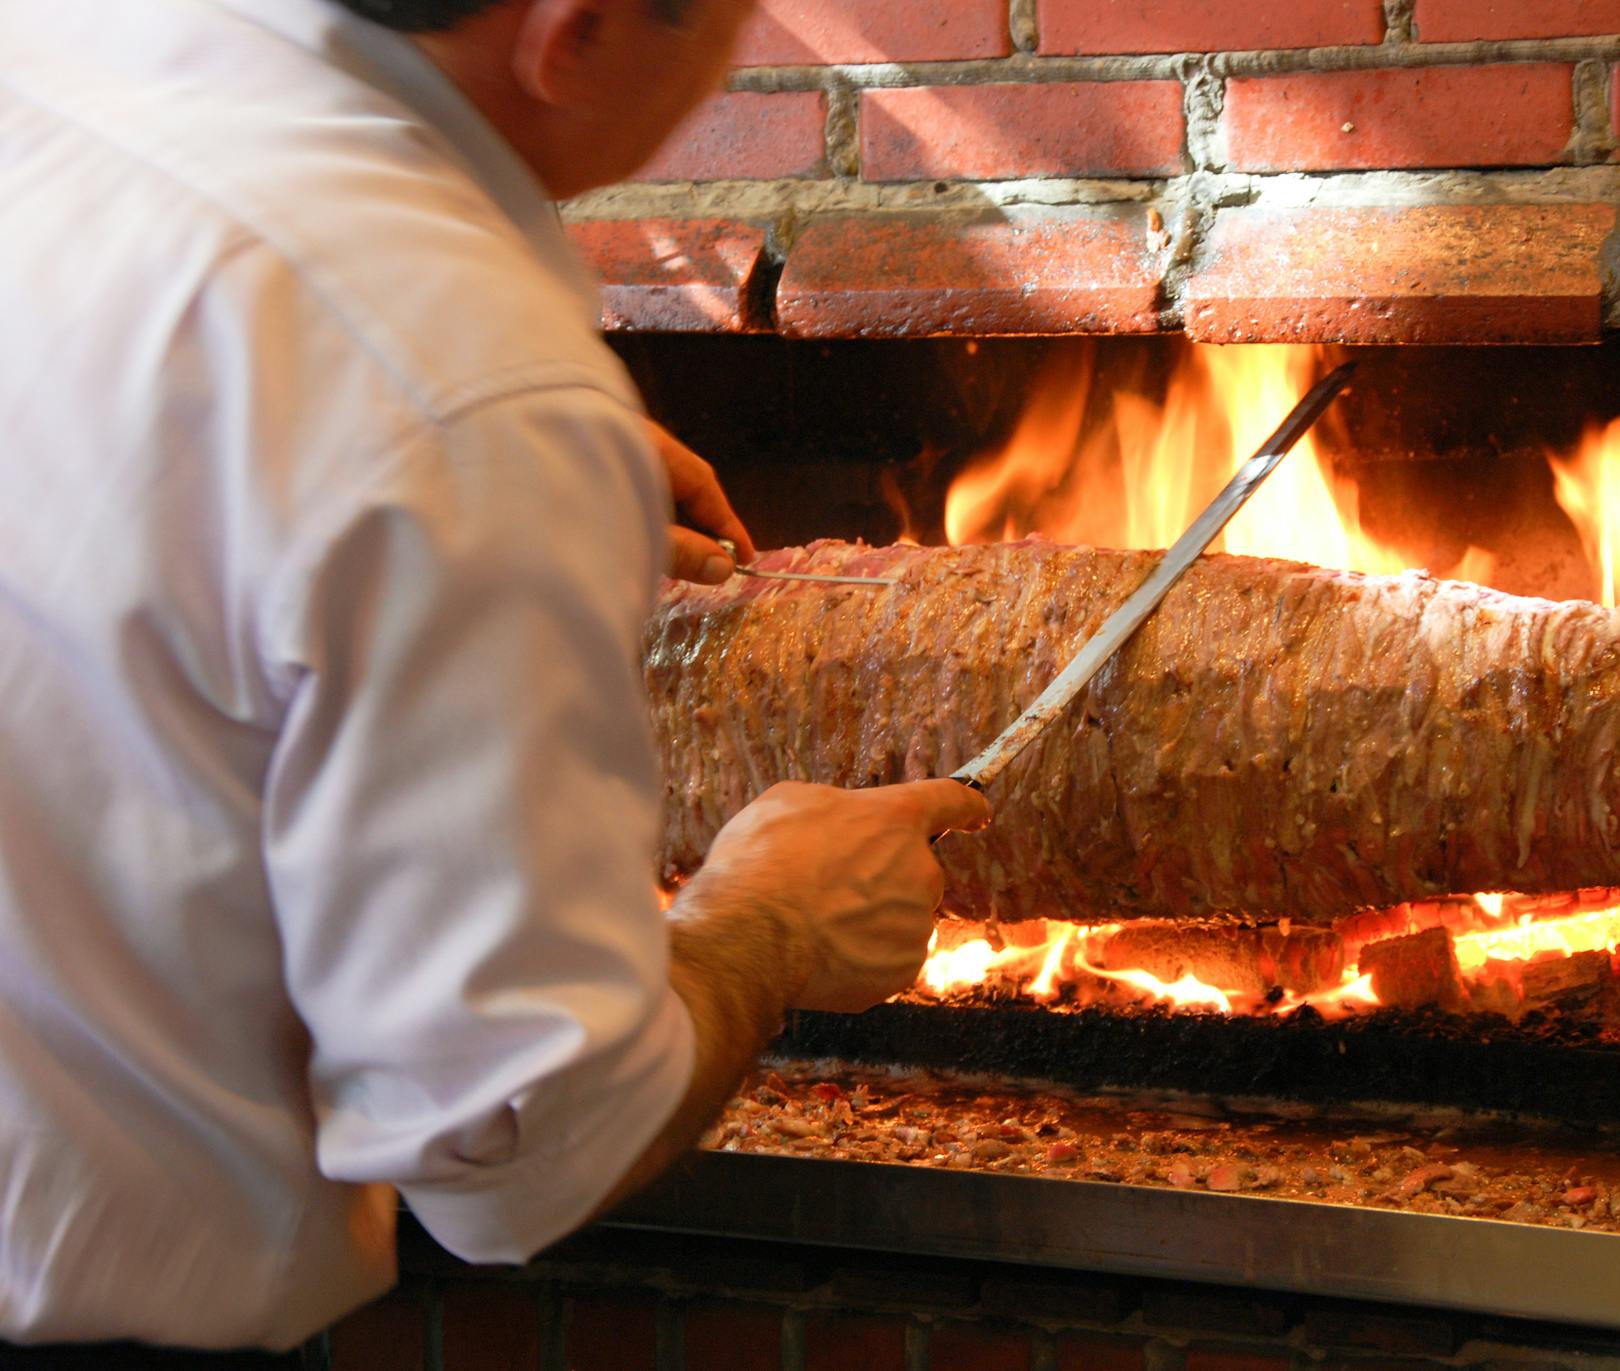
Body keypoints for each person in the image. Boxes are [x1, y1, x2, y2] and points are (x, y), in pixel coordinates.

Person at [0, 0, 989, 1363]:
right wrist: (768, 924)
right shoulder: (458, 379)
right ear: (572, 35)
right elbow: (516, 1141)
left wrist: (423, 462)